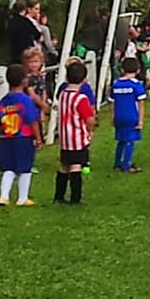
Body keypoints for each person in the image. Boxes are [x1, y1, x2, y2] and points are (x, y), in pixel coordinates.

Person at [0, 64, 43, 206]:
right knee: (25, 168)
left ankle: (4, 196)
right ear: (24, 81)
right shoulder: (26, 100)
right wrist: (38, 138)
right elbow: (32, 120)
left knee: (8, 168)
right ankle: (22, 198)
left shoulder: (4, 101)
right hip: (24, 138)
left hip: (6, 138)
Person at [54, 61, 95, 205]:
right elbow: (89, 118)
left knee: (64, 165)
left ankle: (59, 195)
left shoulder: (63, 95)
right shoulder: (81, 98)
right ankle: (75, 198)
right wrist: (91, 130)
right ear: (84, 80)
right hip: (77, 138)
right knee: (76, 165)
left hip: (65, 138)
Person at [110, 58, 147, 173]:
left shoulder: (116, 84)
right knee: (130, 141)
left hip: (119, 116)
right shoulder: (136, 85)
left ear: (122, 69)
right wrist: (140, 120)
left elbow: (112, 101)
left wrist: (113, 116)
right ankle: (127, 164)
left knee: (121, 140)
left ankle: (117, 163)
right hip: (131, 116)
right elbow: (141, 103)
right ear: (137, 70)